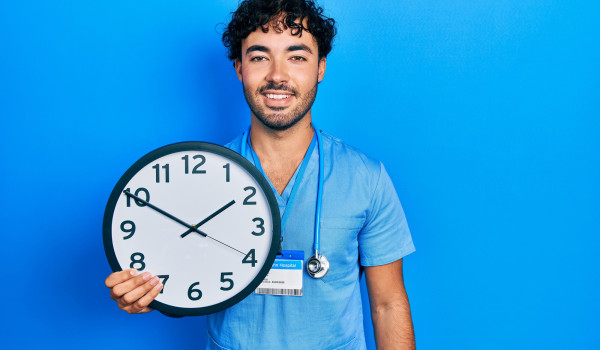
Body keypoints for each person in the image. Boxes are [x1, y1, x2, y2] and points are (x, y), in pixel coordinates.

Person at [104, 0, 416, 349]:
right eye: (259, 57)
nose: (277, 75)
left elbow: (388, 306)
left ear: (320, 68)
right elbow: (188, 280)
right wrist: (149, 295)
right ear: (239, 68)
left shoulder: (366, 178)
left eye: (296, 56)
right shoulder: (196, 177)